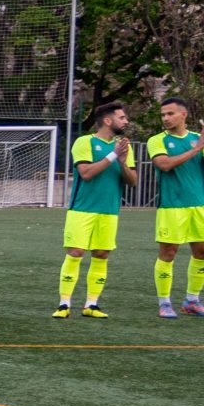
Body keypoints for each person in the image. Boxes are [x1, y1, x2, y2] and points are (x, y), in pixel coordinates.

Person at [56, 100, 135, 319]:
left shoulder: (125, 147)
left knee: (101, 254)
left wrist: (122, 161)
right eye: (122, 117)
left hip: (109, 211)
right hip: (82, 210)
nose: (126, 121)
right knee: (76, 253)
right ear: (108, 121)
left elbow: (133, 181)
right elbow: (86, 173)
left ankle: (92, 304)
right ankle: (64, 304)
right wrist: (112, 156)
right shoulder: (84, 142)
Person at [148, 97, 204, 319]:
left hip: (198, 206)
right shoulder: (157, 140)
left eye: (170, 114)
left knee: (203, 252)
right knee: (168, 253)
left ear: (184, 115)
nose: (166, 118)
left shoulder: (196, 139)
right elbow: (164, 164)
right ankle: (164, 302)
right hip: (172, 207)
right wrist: (197, 147)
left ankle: (192, 300)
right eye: (163, 115)